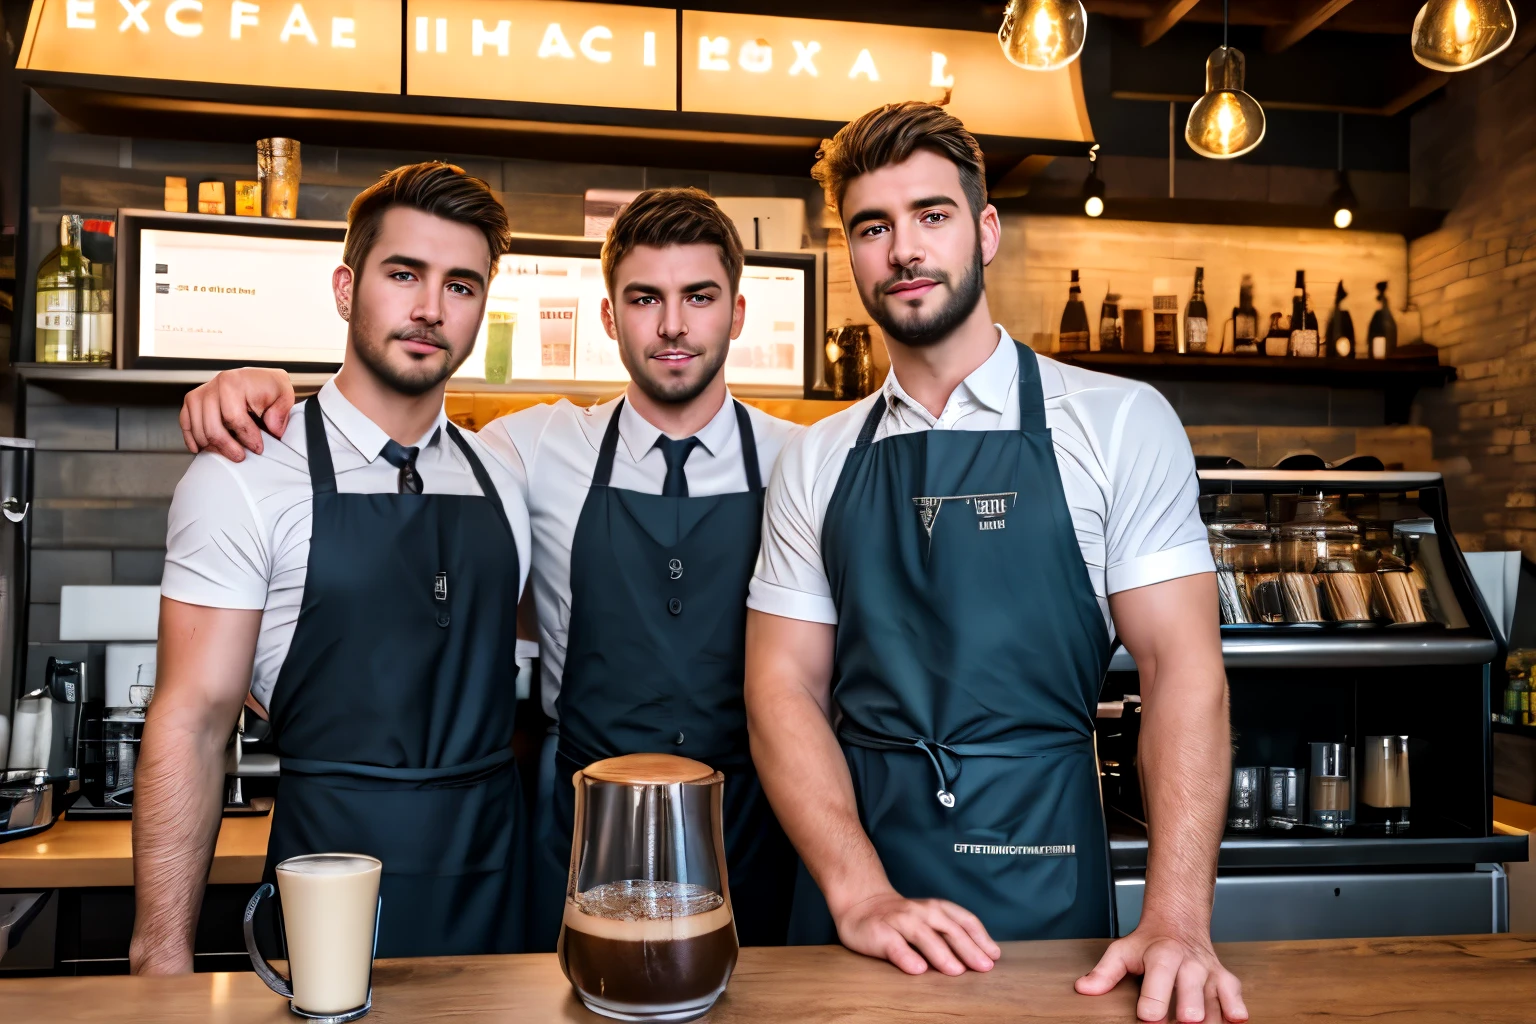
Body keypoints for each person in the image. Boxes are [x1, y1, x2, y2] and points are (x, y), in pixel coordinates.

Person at [172, 188, 803, 950]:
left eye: (699, 297)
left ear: (737, 314)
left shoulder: (805, 461)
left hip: (755, 828)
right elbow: (386, 440)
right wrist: (251, 386)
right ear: (610, 318)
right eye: (644, 299)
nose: (672, 325)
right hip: (579, 834)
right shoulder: (529, 450)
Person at [745, 103, 1248, 1024]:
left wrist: (1178, 917)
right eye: (873, 226)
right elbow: (781, 688)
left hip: (1046, 880)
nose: (903, 248)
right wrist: (859, 892)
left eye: (930, 215)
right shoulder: (816, 459)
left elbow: (1184, 671)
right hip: (859, 885)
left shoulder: (1116, 421)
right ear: (849, 254)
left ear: (984, 230)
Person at [131, 162, 532, 972]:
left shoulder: (508, 474)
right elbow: (193, 723)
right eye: (403, 274)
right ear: (347, 288)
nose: (429, 308)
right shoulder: (242, 473)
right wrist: (159, 953)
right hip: (329, 883)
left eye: (461, 284)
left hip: (498, 887)